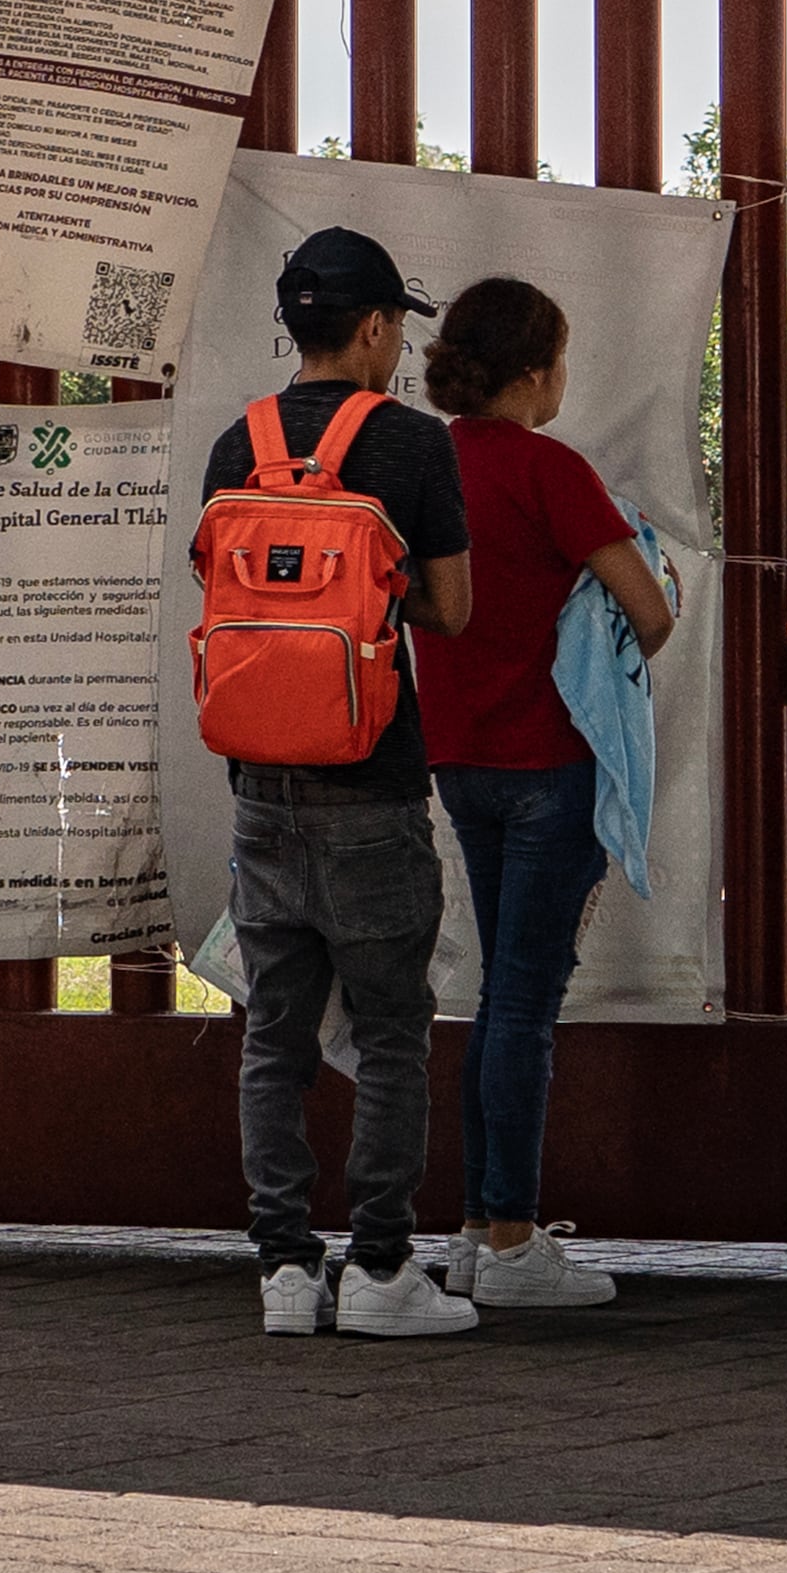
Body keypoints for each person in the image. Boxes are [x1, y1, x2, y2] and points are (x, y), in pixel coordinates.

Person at [207, 226, 478, 1343]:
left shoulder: (240, 442)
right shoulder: (410, 445)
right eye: (397, 327)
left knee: (273, 1035)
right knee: (390, 1030)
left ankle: (282, 1270)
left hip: (260, 789)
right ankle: (377, 1270)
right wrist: (376, 595)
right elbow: (452, 610)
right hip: (370, 783)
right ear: (371, 328)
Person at [415, 275, 670, 1310]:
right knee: (523, 1005)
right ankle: (515, 1242)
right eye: (559, 360)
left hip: (459, 763)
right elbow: (646, 609)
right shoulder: (547, 470)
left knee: (493, 999)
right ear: (531, 373)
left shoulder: (427, 462)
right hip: (547, 769)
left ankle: (477, 1230)